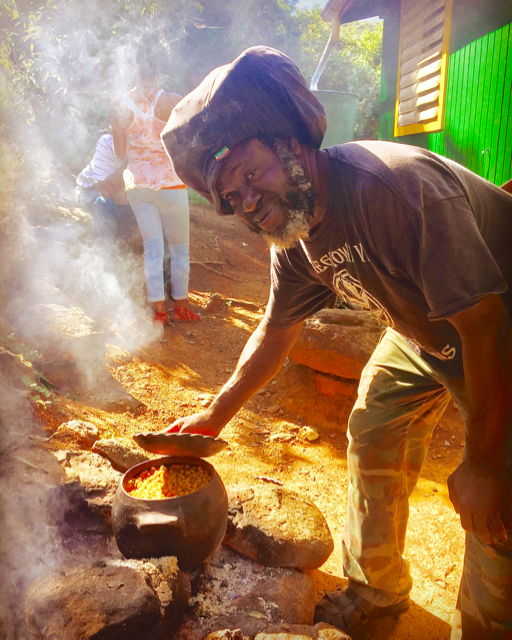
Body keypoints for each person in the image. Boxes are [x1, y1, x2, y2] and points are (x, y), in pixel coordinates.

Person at [161, 46, 512, 638]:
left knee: (497, 513)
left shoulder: (393, 189)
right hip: (423, 329)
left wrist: (482, 463)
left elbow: (485, 323)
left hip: (494, 331)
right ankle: (377, 591)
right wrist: (213, 416)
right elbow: (277, 332)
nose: (250, 203)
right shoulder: (293, 235)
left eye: (253, 175)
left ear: (292, 147)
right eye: (232, 197)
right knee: (375, 425)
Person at [111, 44, 200, 325]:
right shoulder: (172, 100)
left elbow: (120, 154)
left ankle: (160, 312)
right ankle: (182, 308)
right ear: (158, 74)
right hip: (171, 183)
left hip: (138, 185)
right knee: (179, 250)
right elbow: (189, 139)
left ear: (134, 72)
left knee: (152, 249)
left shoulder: (119, 106)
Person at [76, 131, 139, 244]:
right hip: (90, 191)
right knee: (104, 205)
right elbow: (105, 191)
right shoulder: (107, 142)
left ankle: (123, 246)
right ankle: (101, 254)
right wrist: (129, 164)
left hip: (123, 198)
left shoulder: (146, 146)